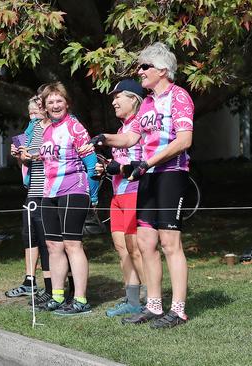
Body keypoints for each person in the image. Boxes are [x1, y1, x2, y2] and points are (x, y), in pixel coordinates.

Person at [84, 42, 194, 328]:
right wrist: (103, 138)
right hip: (148, 175)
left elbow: (184, 141)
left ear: (162, 69)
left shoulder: (179, 96)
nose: (140, 71)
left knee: (170, 243)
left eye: (144, 66)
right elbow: (130, 138)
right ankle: (154, 306)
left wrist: (149, 162)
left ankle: (178, 310)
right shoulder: (145, 103)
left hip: (171, 172)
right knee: (146, 242)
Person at [37, 82, 99, 316]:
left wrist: (92, 195)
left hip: (74, 189)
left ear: (67, 103)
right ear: (44, 106)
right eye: (50, 102)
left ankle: (81, 299)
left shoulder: (74, 126)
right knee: (53, 245)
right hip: (49, 192)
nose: (55, 105)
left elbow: (92, 163)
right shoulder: (45, 130)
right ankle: (57, 295)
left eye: (59, 101)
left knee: (73, 244)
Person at [95, 80, 148, 317]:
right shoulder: (121, 129)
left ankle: (150, 300)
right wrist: (106, 167)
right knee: (122, 248)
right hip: (117, 194)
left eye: (118, 97)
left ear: (133, 99)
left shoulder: (140, 126)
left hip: (135, 192)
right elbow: (120, 161)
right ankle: (132, 299)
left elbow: (147, 159)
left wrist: (122, 167)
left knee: (136, 248)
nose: (114, 102)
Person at [5, 93, 53, 306]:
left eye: (36, 111)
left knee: (47, 241)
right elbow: (25, 166)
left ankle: (53, 287)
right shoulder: (30, 131)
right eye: (30, 112)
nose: (32, 115)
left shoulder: (51, 129)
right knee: (30, 236)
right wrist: (19, 156)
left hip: (48, 190)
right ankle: (30, 280)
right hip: (32, 189)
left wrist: (31, 155)